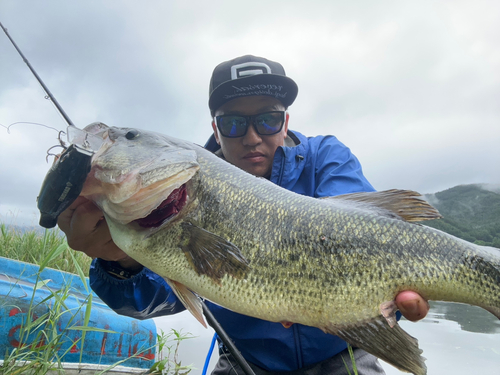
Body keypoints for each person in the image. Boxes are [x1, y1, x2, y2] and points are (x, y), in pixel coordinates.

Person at [58, 55, 429, 375]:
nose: (252, 137)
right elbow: (159, 296)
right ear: (215, 131)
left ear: (285, 122)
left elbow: (356, 235)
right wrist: (120, 262)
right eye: (234, 124)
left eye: (267, 120)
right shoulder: (184, 187)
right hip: (245, 358)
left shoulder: (326, 157)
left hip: (343, 352)